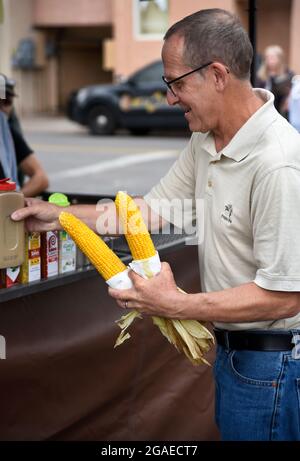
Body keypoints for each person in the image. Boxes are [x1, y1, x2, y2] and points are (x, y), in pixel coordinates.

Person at [11, 9, 300, 441]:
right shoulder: (207, 140)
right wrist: (63, 217)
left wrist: (177, 304)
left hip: (272, 365)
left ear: (217, 74)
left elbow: (284, 296)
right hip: (235, 355)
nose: (169, 98)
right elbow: (149, 212)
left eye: (176, 83)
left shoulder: (279, 163)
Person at [0, 74, 49, 196]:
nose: (1, 108)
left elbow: (41, 178)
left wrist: (13, 201)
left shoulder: (9, 135)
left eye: (6, 102)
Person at [256, 45, 294, 119]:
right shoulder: (260, 75)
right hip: (264, 110)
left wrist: (288, 99)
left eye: (272, 58)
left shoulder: (288, 74)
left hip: (281, 111)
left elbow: (291, 92)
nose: (269, 61)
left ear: (280, 59)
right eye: (267, 58)